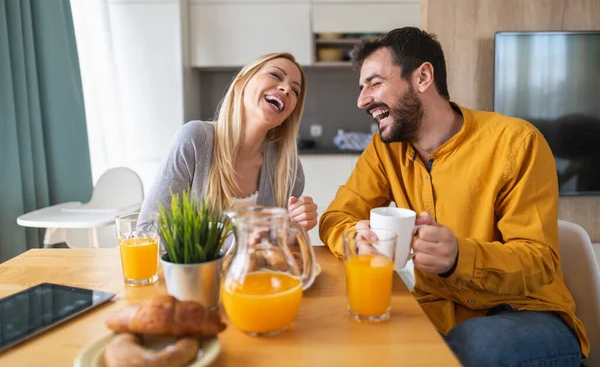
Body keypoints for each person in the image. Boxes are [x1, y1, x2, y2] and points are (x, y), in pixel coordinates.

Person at [319, 28, 588, 366]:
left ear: (423, 77)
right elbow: (336, 217)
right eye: (362, 88)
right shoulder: (385, 151)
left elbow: (540, 260)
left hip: (527, 314)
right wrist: (356, 237)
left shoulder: (516, 142)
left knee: (470, 347)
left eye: (374, 83)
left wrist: (459, 257)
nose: (362, 100)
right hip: (437, 314)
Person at [141, 52, 318, 231]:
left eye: (295, 91)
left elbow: (278, 251)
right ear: (241, 83)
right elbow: (146, 230)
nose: (286, 89)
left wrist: (294, 229)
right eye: (275, 75)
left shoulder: (288, 169)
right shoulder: (195, 140)